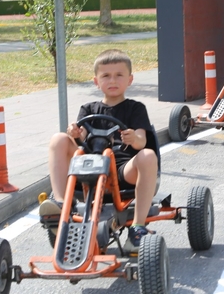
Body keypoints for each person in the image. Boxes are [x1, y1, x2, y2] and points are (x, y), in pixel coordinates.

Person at [39, 49, 157, 251]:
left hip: (121, 171)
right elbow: (81, 137)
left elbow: (141, 141)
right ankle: (59, 204)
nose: (113, 80)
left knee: (147, 155)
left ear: (129, 80)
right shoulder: (88, 108)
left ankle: (138, 227)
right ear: (96, 81)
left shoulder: (135, 108)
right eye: (106, 76)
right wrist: (74, 133)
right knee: (59, 138)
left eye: (119, 75)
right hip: (88, 169)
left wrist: (133, 138)